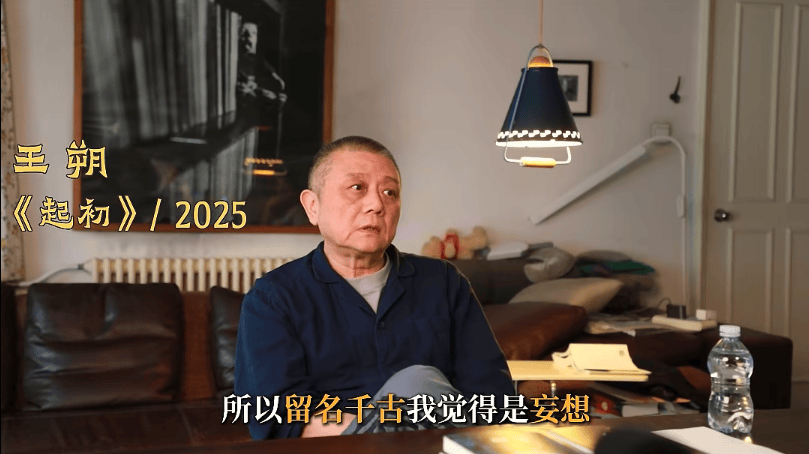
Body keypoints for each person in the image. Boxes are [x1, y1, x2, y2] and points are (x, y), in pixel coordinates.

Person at [234, 136, 514, 439]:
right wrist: (381, 433)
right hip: (338, 447)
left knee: (423, 387)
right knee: (417, 384)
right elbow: (276, 415)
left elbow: (492, 394)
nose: (377, 205)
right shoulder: (273, 297)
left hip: (443, 443)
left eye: (390, 192)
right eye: (357, 188)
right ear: (313, 206)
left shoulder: (444, 282)